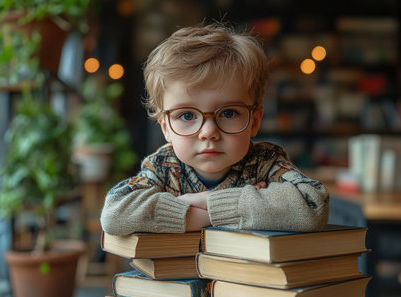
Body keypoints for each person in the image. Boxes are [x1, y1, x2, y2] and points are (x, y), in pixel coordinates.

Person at [101, 23, 329, 236]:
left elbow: (313, 205)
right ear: (166, 127)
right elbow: (114, 214)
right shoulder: (163, 166)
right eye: (187, 115)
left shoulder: (266, 162)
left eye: (228, 113)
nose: (208, 132)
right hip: (177, 277)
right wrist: (247, 206)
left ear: (254, 121)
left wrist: (207, 203)